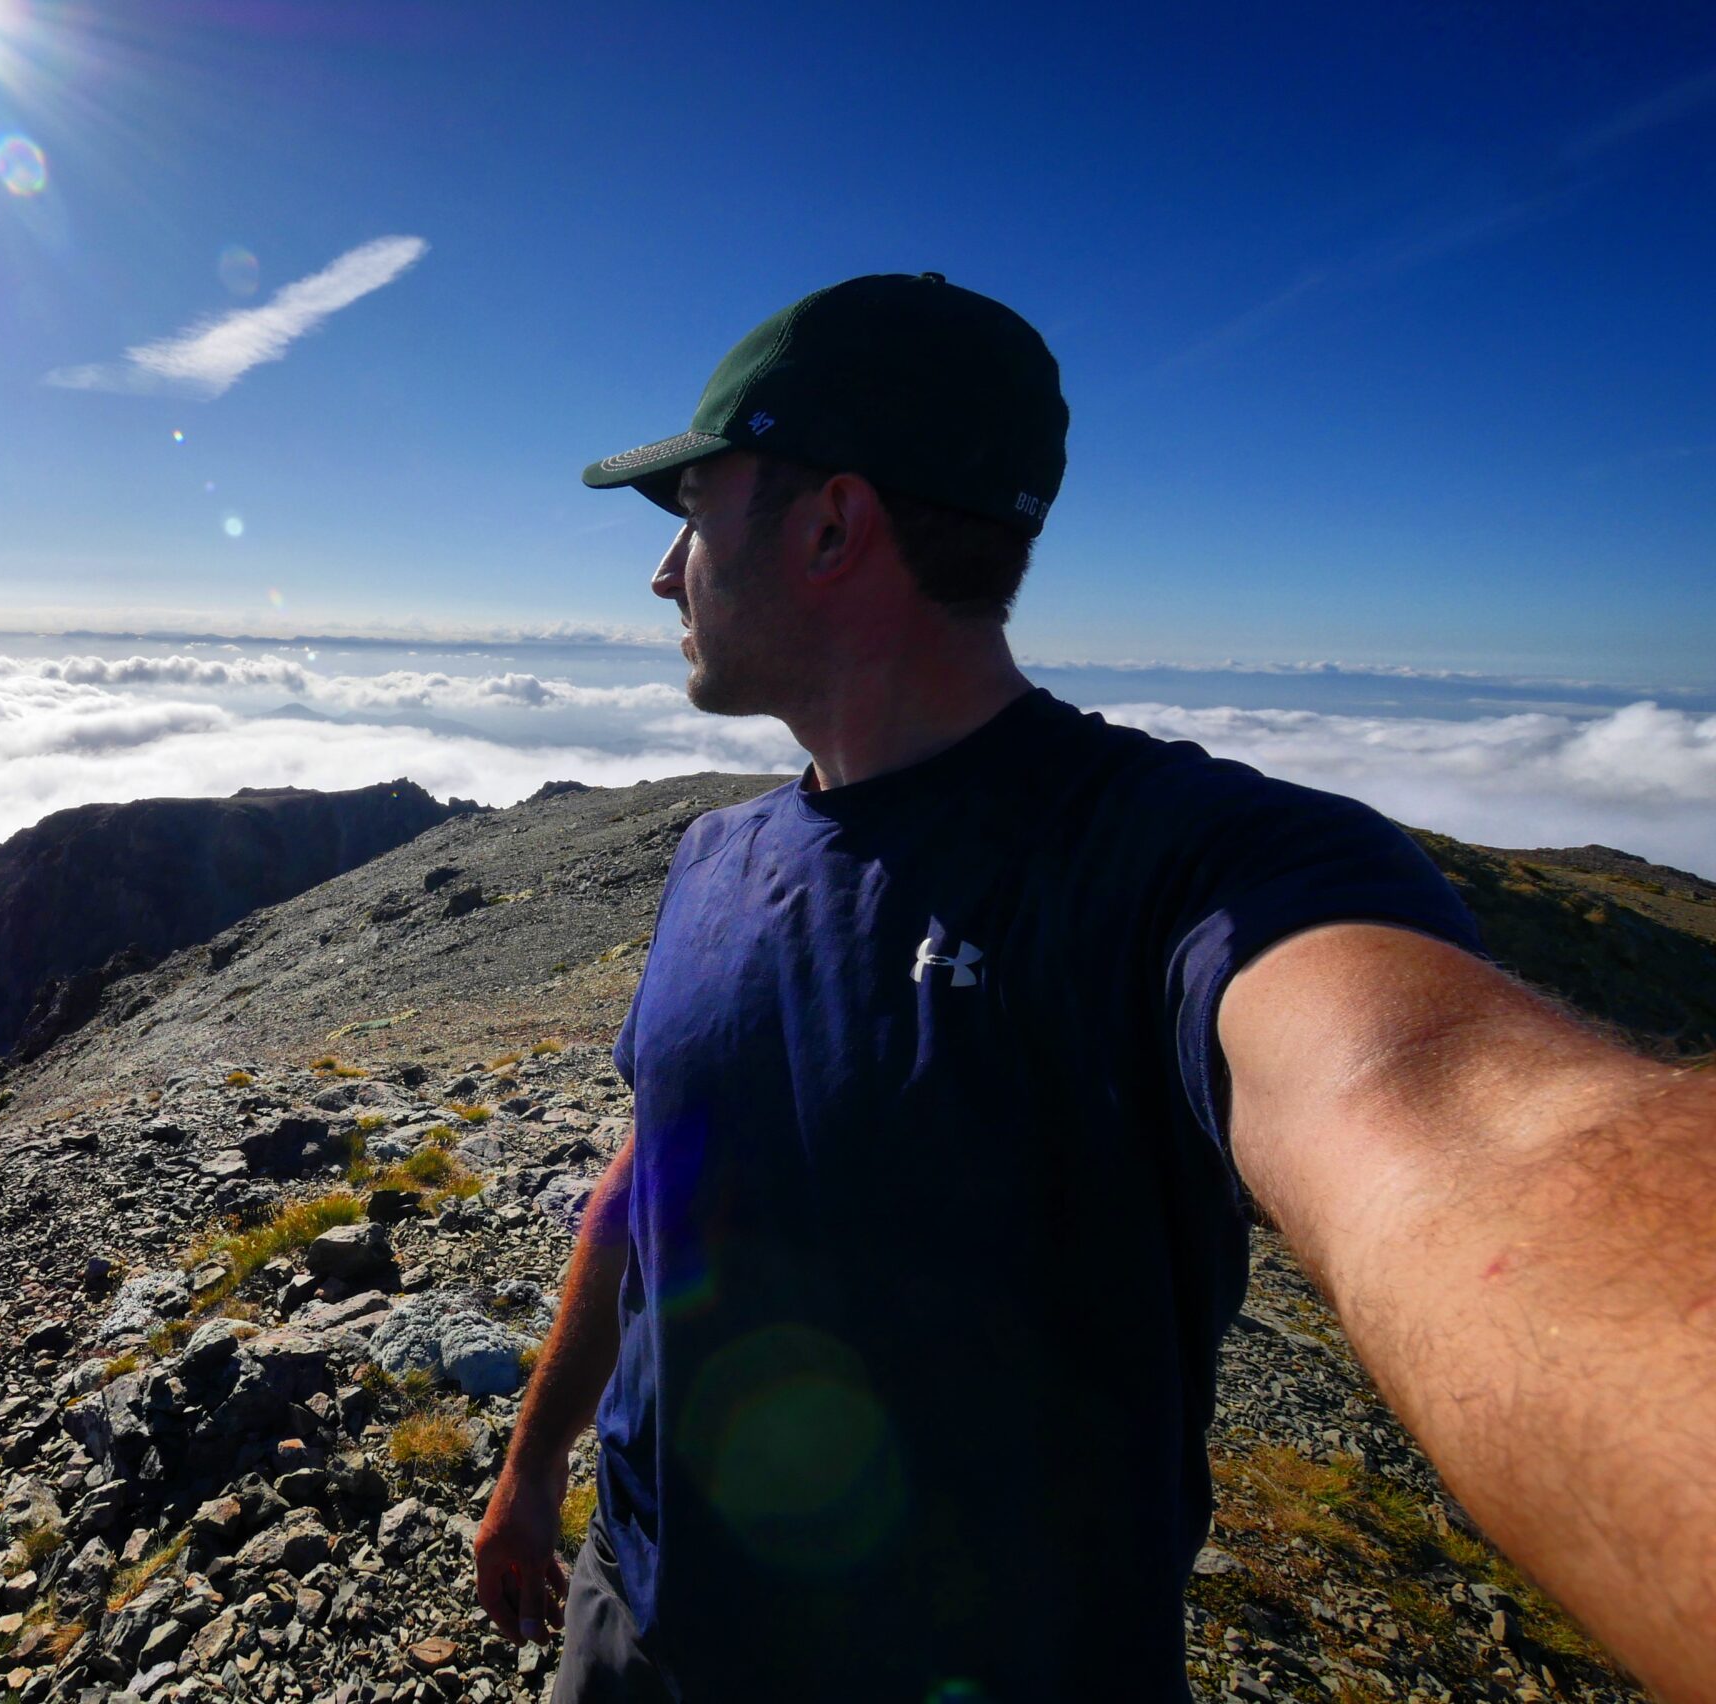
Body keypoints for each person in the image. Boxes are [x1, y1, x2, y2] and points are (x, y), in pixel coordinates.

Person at [471, 273, 1716, 1702]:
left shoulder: (1188, 870)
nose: (661, 572)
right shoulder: (714, 857)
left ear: (829, 523)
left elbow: (1465, 1130)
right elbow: (653, 1180)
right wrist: (532, 1466)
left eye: (692, 511)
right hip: (641, 1621)